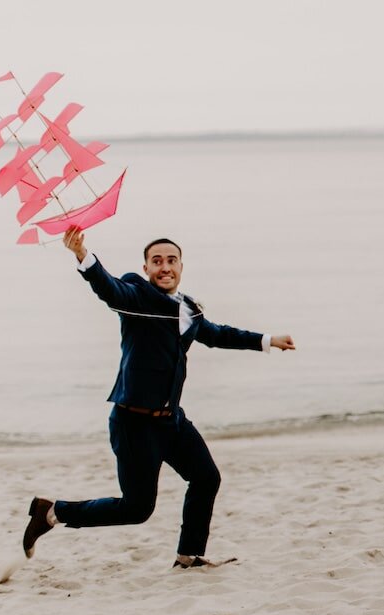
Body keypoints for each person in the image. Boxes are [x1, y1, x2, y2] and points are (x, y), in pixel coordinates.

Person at [21, 226, 295, 569]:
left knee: (206, 478)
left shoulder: (188, 308)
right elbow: (109, 289)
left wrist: (267, 339)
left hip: (172, 421)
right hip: (133, 422)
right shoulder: (135, 295)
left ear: (181, 266)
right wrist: (83, 256)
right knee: (136, 510)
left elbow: (216, 334)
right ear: (147, 268)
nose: (165, 267)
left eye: (171, 260)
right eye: (157, 261)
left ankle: (189, 555)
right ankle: (53, 511)